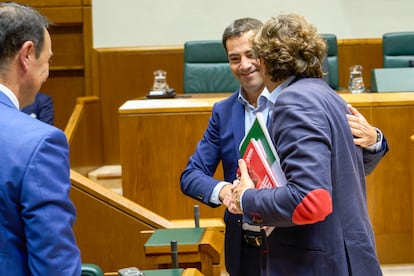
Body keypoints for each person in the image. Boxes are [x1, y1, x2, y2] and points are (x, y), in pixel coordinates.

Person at [180, 17, 387, 276]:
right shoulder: (322, 93)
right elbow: (191, 175)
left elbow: (314, 196)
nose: (244, 65)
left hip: (309, 253)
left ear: (265, 58)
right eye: (234, 58)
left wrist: (244, 198)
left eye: (252, 55)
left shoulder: (294, 101)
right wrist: (226, 193)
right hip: (263, 249)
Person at [0, 2, 81, 275]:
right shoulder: (39, 143)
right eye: (46, 62)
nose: (46, 75)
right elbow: (54, 265)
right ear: (26, 55)